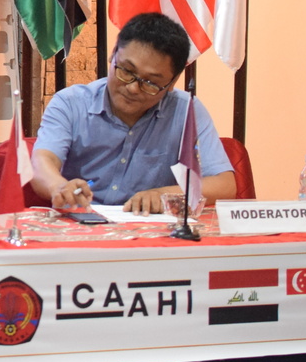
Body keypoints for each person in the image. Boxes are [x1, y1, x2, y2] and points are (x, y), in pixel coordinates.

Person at [31, 11, 237, 214]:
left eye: (150, 82)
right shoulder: (70, 103)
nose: (132, 88)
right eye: (126, 71)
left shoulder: (186, 111)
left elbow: (225, 184)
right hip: (83, 222)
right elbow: (42, 162)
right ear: (113, 55)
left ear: (172, 83)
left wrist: (164, 194)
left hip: (150, 228)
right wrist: (59, 186)